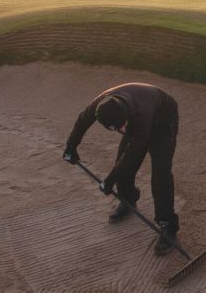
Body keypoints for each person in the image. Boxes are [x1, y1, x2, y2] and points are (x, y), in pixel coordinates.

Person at [63, 83, 180, 254]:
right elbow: (83, 120)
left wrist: (109, 181)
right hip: (137, 121)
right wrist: (71, 147)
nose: (122, 130)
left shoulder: (142, 112)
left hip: (163, 122)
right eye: (119, 129)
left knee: (160, 175)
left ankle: (168, 225)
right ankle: (128, 199)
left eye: (123, 125)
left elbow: (133, 154)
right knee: (122, 169)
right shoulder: (101, 105)